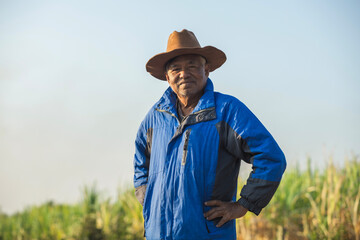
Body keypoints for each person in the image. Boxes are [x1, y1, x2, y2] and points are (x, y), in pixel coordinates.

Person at [133, 29, 286, 240]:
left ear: (207, 69)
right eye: (176, 69)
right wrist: (150, 200)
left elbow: (271, 158)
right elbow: (140, 162)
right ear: (167, 77)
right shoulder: (154, 117)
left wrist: (243, 205)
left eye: (192, 66)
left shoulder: (227, 111)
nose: (184, 74)